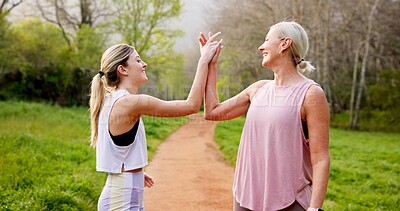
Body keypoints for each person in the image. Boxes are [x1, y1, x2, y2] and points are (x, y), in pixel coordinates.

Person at [201, 21, 330, 211]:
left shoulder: (311, 94)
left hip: (290, 201)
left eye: (267, 40)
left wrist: (314, 208)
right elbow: (212, 112)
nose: (261, 47)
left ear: (284, 44)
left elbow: (320, 158)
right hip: (245, 196)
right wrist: (210, 65)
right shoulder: (258, 89)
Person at [89, 32, 222, 210]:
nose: (144, 64)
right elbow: (191, 105)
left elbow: (118, 147)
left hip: (122, 196)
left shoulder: (114, 99)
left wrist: (134, 172)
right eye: (138, 60)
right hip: (120, 201)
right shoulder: (130, 102)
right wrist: (203, 61)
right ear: (123, 69)